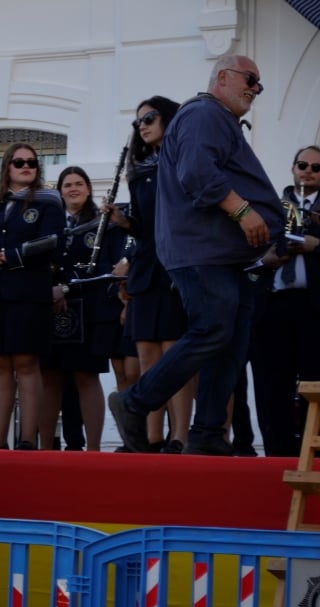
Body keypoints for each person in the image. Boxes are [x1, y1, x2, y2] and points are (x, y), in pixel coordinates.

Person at [109, 55, 284, 456]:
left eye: (259, 83)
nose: (256, 89)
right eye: (250, 79)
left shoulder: (215, 118)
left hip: (223, 254)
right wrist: (243, 211)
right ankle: (135, 402)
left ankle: (206, 432)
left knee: (231, 340)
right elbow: (197, 172)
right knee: (213, 329)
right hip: (203, 251)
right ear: (223, 76)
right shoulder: (204, 113)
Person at [106, 96, 192, 453]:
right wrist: (124, 221)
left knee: (174, 353)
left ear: (168, 118)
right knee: (147, 356)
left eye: (150, 118)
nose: (142, 126)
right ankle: (151, 438)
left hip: (175, 266)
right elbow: (144, 227)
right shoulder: (139, 170)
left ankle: (180, 436)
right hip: (145, 267)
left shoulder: (183, 161)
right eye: (138, 121)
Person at [0, 143, 64, 449]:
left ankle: (27, 439)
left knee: (26, 362)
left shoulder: (48, 202)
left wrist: (8, 257)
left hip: (28, 292)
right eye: (19, 162)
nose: (26, 167)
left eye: (32, 163)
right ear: (7, 166)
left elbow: (52, 243)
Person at [250, 145, 320, 456]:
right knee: (272, 383)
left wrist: (316, 245)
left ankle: (313, 454)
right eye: (303, 165)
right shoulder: (271, 207)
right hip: (273, 305)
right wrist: (264, 260)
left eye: (316, 168)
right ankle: (277, 454)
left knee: (314, 382)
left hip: (314, 307)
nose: (308, 171)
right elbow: (246, 252)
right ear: (293, 168)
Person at [37, 166, 110, 451]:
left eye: (79, 183)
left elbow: (104, 266)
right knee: (49, 377)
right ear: (60, 192)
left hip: (89, 308)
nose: (73, 189)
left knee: (86, 376)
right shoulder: (51, 223)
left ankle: (94, 450)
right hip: (52, 311)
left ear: (89, 189)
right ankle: (45, 448)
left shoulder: (102, 224)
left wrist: (66, 287)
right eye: (67, 185)